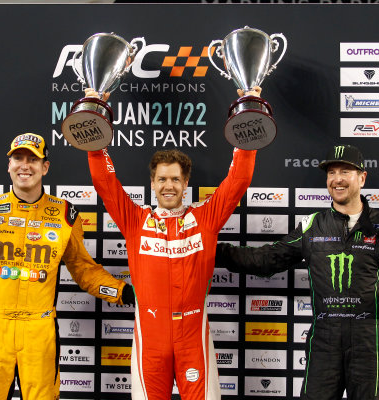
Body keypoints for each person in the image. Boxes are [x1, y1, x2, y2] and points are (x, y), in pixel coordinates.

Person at [215, 144, 379, 400]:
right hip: (324, 342)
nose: (337, 179)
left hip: (369, 344)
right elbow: (265, 260)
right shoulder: (312, 226)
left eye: (345, 171)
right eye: (331, 173)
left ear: (362, 178)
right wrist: (211, 250)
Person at [0, 133, 135, 400]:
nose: (25, 165)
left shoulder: (66, 214)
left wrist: (121, 291)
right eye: (18, 158)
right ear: (9, 165)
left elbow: (84, 269)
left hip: (39, 329)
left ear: (45, 167)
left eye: (33, 159)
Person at [86, 87, 258, 400]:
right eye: (162, 179)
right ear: (152, 183)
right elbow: (104, 182)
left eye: (175, 179)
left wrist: (248, 116)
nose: (169, 186)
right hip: (150, 340)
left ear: (185, 183)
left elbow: (238, 181)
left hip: (193, 338)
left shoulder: (205, 219)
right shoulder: (135, 221)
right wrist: (94, 122)